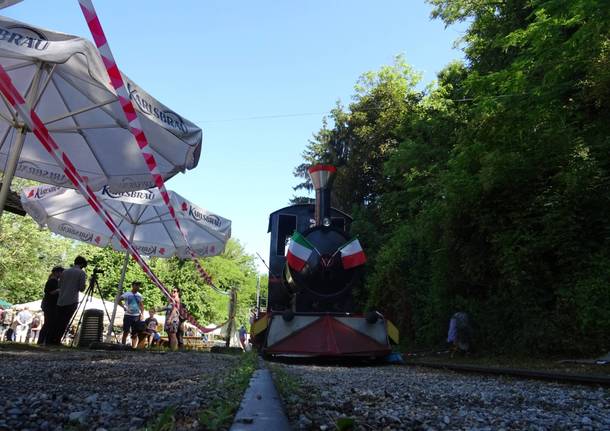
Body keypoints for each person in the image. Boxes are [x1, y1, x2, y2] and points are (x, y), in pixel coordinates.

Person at [52, 256, 87, 344]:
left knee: (57, 321)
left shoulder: (65, 271)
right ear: (82, 264)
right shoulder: (81, 273)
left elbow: (59, 285)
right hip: (72, 300)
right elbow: (81, 288)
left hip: (61, 300)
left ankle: (51, 339)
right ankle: (57, 340)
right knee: (65, 321)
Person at [38, 265, 63, 345]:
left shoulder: (54, 281)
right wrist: (60, 290)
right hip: (50, 305)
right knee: (48, 323)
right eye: (61, 272)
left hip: (49, 305)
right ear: (56, 272)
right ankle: (43, 340)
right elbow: (51, 292)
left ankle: (44, 340)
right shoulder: (52, 281)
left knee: (49, 323)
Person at [118, 281, 144, 347]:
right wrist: (123, 307)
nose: (137, 287)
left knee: (135, 333)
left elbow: (141, 305)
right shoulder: (127, 294)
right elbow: (119, 300)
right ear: (132, 286)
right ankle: (123, 346)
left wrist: (142, 314)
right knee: (126, 331)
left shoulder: (139, 295)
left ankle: (133, 348)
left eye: (138, 285)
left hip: (136, 316)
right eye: (136, 285)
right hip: (128, 315)